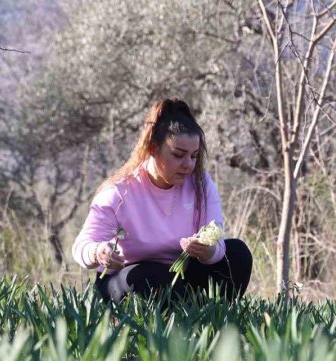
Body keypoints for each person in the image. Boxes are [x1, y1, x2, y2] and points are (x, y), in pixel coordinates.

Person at [72, 98, 252, 303]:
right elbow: (81, 246)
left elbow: (217, 246)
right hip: (131, 279)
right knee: (150, 278)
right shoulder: (119, 192)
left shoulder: (202, 184)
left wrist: (206, 250)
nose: (188, 165)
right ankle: (190, 307)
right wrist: (98, 253)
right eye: (178, 155)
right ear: (152, 149)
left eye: (194, 156)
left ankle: (205, 311)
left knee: (237, 254)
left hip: (180, 274)